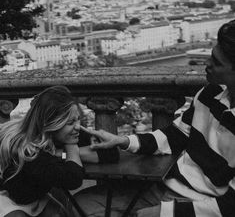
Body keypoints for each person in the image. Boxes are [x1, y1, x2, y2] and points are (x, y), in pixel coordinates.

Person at [76, 20, 235, 217]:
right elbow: (173, 137)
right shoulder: (210, 93)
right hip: (163, 189)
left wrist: (164, 212)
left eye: (217, 62)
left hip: (197, 205)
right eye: (212, 56)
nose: (207, 64)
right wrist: (123, 141)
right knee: (78, 204)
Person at [0, 85, 119, 217]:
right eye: (70, 123)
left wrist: (60, 153)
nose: (78, 127)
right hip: (10, 201)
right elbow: (73, 179)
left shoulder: (59, 133)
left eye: (78, 119)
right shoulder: (28, 151)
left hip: (32, 199)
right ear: (50, 124)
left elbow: (111, 153)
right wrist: (71, 148)